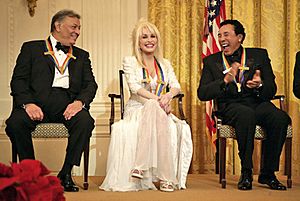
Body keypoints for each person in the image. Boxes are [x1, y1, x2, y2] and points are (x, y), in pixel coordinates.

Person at [5, 9, 98, 192]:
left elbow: (90, 85)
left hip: (67, 105)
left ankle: (65, 173)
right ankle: (30, 176)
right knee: (16, 122)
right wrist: (28, 104)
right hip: (35, 103)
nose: (77, 31)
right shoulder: (31, 48)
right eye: (74, 27)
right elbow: (18, 80)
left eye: (79, 28)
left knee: (85, 121)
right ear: (57, 26)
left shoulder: (82, 55)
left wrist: (79, 103)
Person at [100, 20, 193, 192]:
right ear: (138, 42)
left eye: (152, 36)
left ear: (157, 40)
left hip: (159, 108)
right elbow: (134, 88)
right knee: (151, 104)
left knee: (153, 106)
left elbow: (176, 86)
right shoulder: (130, 61)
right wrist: (160, 101)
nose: (149, 40)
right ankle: (167, 178)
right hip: (136, 108)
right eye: (144, 37)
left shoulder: (164, 63)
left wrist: (168, 95)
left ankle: (140, 166)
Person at [198, 19, 291, 190]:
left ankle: (267, 174)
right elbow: (202, 93)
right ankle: (246, 172)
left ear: (239, 37)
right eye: (219, 35)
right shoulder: (212, 61)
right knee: (245, 115)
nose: (221, 38)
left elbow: (271, 88)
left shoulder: (259, 55)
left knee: (280, 118)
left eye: (226, 34)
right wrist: (224, 81)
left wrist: (260, 84)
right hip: (230, 106)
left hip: (256, 101)